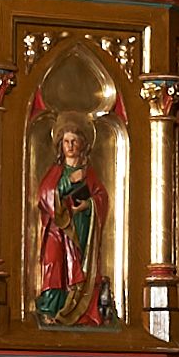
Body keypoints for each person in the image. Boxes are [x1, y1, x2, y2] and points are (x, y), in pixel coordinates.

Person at [36, 120, 113, 326]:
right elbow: (45, 194)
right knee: (54, 265)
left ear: (83, 145)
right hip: (57, 230)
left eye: (74, 141)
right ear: (60, 146)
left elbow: (102, 198)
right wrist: (70, 181)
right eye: (66, 142)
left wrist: (88, 205)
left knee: (79, 267)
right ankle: (50, 309)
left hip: (81, 229)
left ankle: (79, 311)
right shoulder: (56, 172)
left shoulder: (89, 174)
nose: (70, 146)